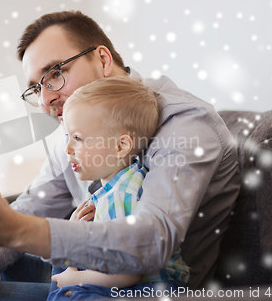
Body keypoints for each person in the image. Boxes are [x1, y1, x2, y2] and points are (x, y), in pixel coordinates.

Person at [0, 10, 240, 301]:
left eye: (55, 74)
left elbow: (152, 240)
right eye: (35, 89)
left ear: (102, 58)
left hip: (133, 288)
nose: (46, 98)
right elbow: (34, 204)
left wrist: (21, 231)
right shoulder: (75, 126)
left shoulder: (184, 123)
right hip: (79, 268)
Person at [47, 76, 190, 300]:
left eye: (78, 138)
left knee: (65, 293)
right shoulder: (123, 183)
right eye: (68, 137)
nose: (67, 149)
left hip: (147, 291)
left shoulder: (121, 195)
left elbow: (128, 272)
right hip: (134, 285)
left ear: (121, 146)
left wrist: (76, 278)